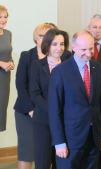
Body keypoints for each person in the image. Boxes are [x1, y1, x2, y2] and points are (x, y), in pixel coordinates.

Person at [48, 30, 101, 169]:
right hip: (70, 139)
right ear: (73, 48)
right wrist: (59, 142)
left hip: (94, 137)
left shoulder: (98, 69)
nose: (88, 53)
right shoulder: (60, 71)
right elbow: (54, 109)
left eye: (91, 48)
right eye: (84, 49)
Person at [14, 22, 58, 169]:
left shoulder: (60, 58)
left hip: (50, 112)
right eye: (41, 35)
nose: (45, 38)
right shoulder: (27, 56)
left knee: (48, 151)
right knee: (27, 150)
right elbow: (21, 85)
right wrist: (32, 110)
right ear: (35, 38)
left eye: (49, 36)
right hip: (27, 111)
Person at [30, 28, 71, 169]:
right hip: (43, 121)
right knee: (43, 161)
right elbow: (35, 93)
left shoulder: (69, 65)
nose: (59, 48)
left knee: (61, 161)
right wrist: (53, 112)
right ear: (47, 45)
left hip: (65, 120)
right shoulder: (36, 65)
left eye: (62, 44)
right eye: (54, 44)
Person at [0, 5, 14, 132]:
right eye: (0, 17)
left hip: (4, 80)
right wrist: (1, 63)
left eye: (5, 16)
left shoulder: (8, 33)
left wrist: (11, 63)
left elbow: (9, 56)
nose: (3, 19)